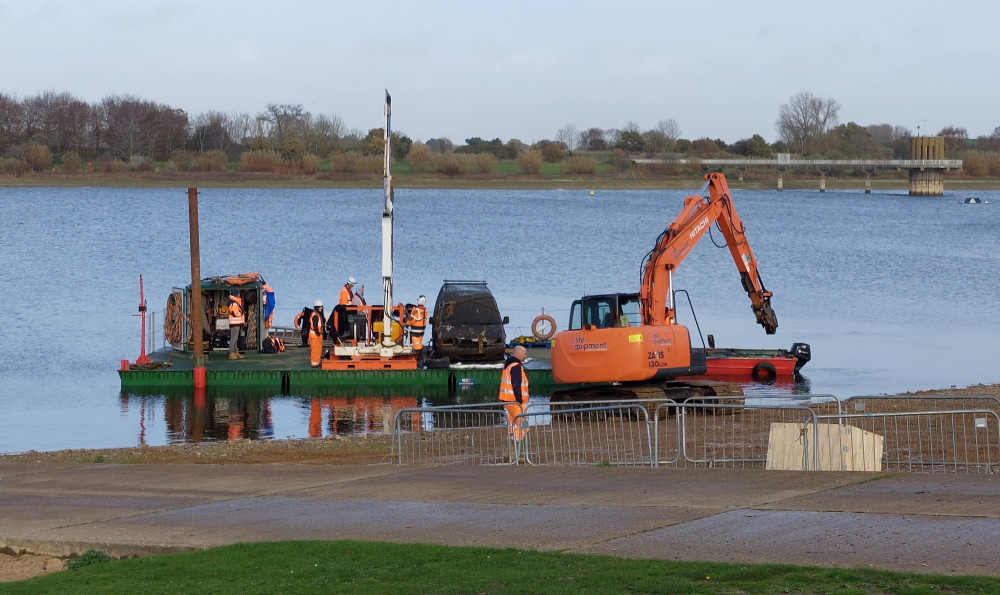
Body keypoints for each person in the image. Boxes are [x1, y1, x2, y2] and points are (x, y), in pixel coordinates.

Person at [499, 345, 530, 442]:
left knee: (513, 421)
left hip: (509, 400)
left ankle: (513, 438)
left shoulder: (509, 365)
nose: (526, 356)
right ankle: (518, 439)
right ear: (518, 354)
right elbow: (516, 385)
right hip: (515, 401)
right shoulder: (516, 366)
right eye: (524, 354)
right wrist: (519, 400)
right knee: (523, 421)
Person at [406, 295, 428, 359]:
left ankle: (418, 361)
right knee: (419, 344)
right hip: (422, 331)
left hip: (416, 331)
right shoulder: (425, 311)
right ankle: (421, 360)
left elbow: (410, 321)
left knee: (417, 346)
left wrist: (406, 323)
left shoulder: (416, 311)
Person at [227, 288, 245, 360]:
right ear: (237, 294)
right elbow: (235, 313)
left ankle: (235, 352)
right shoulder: (234, 303)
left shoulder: (234, 302)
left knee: (236, 338)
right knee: (233, 338)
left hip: (236, 323)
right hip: (235, 323)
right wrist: (242, 313)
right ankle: (232, 353)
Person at [308, 300, 325, 368]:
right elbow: (315, 326)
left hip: (313, 334)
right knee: (316, 350)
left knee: (316, 349)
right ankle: (315, 363)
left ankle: (316, 361)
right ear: (318, 307)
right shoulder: (316, 316)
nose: (322, 308)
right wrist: (318, 333)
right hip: (316, 335)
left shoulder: (314, 314)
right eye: (321, 307)